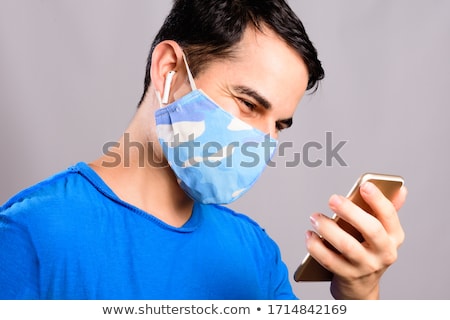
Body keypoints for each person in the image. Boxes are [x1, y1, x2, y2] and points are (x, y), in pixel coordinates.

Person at [0, 0, 407, 299]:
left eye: (279, 126)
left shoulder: (253, 252)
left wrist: (361, 294)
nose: (263, 142)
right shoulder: (31, 234)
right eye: (249, 105)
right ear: (169, 71)